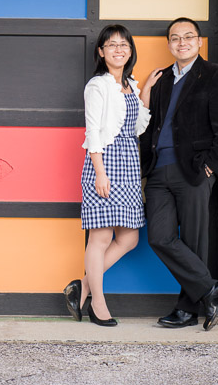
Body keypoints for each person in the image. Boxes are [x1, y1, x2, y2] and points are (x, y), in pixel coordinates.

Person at [138, 17, 218, 330]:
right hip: (158, 171)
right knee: (159, 237)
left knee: (194, 241)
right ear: (169, 44)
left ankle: (186, 309)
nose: (182, 42)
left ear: (199, 42)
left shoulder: (215, 75)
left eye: (188, 36)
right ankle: (211, 290)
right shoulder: (161, 78)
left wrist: (211, 166)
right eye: (175, 38)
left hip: (193, 169)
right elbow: (148, 125)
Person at [64, 25, 159, 326]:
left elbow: (137, 127)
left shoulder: (130, 84)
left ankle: (81, 286)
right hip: (104, 164)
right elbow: (93, 132)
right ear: (101, 52)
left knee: (129, 238)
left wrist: (144, 93)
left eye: (124, 45)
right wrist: (100, 174)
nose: (119, 49)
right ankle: (97, 304)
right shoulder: (98, 86)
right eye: (111, 45)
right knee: (101, 237)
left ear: (130, 50)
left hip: (129, 167)